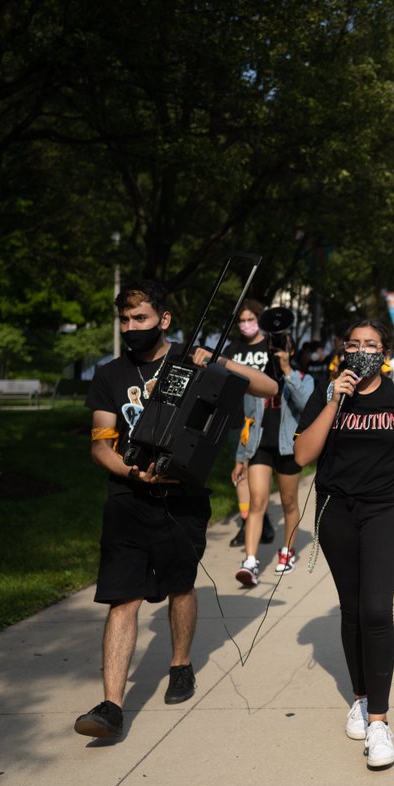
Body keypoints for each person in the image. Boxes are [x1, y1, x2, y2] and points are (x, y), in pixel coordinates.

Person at [74, 279, 278, 740]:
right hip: (127, 496)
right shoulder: (109, 375)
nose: (131, 327)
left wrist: (220, 361)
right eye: (125, 320)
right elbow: (101, 445)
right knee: (122, 597)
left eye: (140, 319)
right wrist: (129, 472)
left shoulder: (192, 359)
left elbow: (266, 388)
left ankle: (180, 663)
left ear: (163, 320)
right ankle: (111, 706)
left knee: (180, 585)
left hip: (183, 498)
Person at [294, 319, 394, 770]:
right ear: (342, 349)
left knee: (377, 610)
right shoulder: (327, 394)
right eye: (354, 344)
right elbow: (303, 455)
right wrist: (336, 398)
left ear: (385, 352)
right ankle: (360, 698)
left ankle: (379, 720)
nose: (361, 351)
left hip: (386, 509)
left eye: (371, 345)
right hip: (336, 510)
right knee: (353, 608)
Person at [233, 313, 315, 586]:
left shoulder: (303, 378)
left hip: (288, 448)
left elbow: (306, 406)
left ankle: (288, 551)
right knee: (257, 502)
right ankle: (250, 561)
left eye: (283, 347)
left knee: (289, 502)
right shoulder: (255, 379)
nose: (277, 351)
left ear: (291, 350)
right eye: (274, 347)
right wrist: (239, 457)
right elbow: (248, 420)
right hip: (260, 446)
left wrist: (288, 371)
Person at [227, 302, 277, 550]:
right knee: (240, 473)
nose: (245, 324)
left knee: (257, 470)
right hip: (237, 418)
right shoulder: (232, 349)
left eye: (250, 319)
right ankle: (249, 521)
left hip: (264, 418)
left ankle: (260, 517)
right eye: (241, 320)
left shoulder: (270, 347)